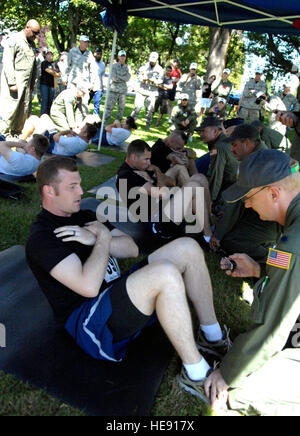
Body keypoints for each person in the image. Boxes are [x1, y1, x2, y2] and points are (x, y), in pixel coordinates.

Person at [26, 155, 230, 403]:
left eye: (79, 183)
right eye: (72, 187)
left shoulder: (85, 215)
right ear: (49, 191)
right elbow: (89, 287)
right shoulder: (43, 238)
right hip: (91, 323)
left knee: (187, 246)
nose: (81, 191)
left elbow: (131, 248)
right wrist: (102, 238)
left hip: (116, 293)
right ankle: (196, 373)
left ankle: (213, 338)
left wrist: (96, 237)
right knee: (165, 273)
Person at [204, 149, 300, 416]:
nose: (246, 205)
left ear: (273, 193)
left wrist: (227, 373)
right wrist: (259, 269)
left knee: (239, 389)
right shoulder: (293, 229)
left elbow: (273, 329)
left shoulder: (293, 244)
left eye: (248, 197)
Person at [116, 139, 213, 242]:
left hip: (163, 208)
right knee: (193, 186)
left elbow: (172, 182)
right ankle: (209, 238)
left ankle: (208, 223)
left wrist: (157, 174)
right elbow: (163, 194)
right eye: (146, 159)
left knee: (199, 178)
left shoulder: (140, 168)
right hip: (157, 224)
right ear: (133, 157)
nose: (149, 162)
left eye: (149, 159)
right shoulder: (126, 176)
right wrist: (157, 172)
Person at [209, 124, 278, 261]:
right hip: (267, 217)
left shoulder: (255, 165)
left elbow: (236, 205)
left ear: (246, 143)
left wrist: (217, 236)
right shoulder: (260, 155)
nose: (232, 149)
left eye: (234, 145)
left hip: (274, 222)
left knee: (228, 239)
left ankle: (273, 258)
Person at [0, 19, 40, 137]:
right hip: (14, 84)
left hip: (26, 84)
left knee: (23, 110)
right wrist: (12, 82)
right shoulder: (14, 40)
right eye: (34, 33)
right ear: (27, 28)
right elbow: (7, 61)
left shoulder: (31, 44)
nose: (36, 36)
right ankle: (3, 135)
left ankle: (16, 133)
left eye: (38, 33)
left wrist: (32, 83)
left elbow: (33, 66)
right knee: (10, 110)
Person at [196, 117, 238, 212]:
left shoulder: (218, 147)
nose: (200, 134)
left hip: (228, 190)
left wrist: (209, 200)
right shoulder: (224, 142)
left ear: (215, 131)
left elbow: (216, 175)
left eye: (203, 131)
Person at [62, 35, 100, 123]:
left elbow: (93, 69)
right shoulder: (72, 51)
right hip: (73, 82)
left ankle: (80, 124)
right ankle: (69, 123)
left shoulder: (89, 54)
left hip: (84, 83)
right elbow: (67, 65)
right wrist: (64, 78)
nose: (86, 44)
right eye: (84, 42)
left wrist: (93, 82)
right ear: (80, 42)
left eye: (87, 42)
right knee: (69, 102)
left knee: (83, 104)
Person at [131, 52, 164, 130]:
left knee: (150, 109)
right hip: (142, 89)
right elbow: (138, 75)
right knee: (137, 107)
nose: (152, 62)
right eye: (151, 60)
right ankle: (131, 122)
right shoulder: (144, 66)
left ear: (156, 60)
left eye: (154, 60)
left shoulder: (160, 69)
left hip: (152, 91)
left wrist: (154, 81)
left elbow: (161, 80)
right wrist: (142, 78)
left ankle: (147, 124)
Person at [104, 50, 131, 125]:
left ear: (125, 57)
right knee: (109, 107)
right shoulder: (114, 66)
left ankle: (118, 123)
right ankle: (106, 121)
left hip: (122, 91)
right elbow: (113, 78)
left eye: (124, 56)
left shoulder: (127, 67)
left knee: (121, 109)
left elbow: (127, 78)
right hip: (114, 90)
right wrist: (122, 77)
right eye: (121, 56)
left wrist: (119, 77)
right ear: (118, 57)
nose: (122, 57)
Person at [40, 49, 61, 115]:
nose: (50, 56)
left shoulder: (55, 64)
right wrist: (55, 73)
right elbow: (48, 70)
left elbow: (59, 73)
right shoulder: (44, 63)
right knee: (45, 100)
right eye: (48, 54)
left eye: (51, 54)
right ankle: (43, 115)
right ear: (46, 55)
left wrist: (55, 73)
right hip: (44, 84)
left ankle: (48, 115)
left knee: (50, 100)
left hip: (52, 85)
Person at [88, 47, 106, 117]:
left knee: (97, 106)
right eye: (98, 53)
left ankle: (95, 122)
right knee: (85, 104)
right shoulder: (90, 62)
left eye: (100, 54)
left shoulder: (103, 64)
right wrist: (90, 84)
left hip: (98, 88)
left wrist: (103, 87)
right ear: (94, 54)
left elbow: (103, 76)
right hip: (89, 87)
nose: (99, 55)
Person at [168, 58, 181, 123]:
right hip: (166, 87)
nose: (175, 63)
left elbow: (178, 79)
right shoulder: (168, 69)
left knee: (170, 104)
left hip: (173, 87)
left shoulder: (178, 71)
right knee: (163, 103)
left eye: (176, 62)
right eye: (174, 62)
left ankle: (169, 118)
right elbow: (166, 78)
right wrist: (173, 79)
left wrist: (172, 79)